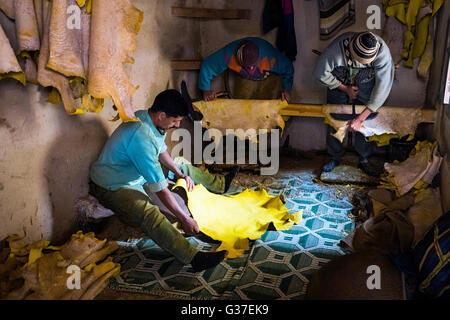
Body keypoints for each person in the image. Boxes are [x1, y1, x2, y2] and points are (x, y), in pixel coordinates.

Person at [88, 89, 239, 272]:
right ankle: (193, 257)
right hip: (112, 184)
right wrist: (184, 219)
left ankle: (220, 184)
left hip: (135, 175)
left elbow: (160, 150)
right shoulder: (141, 137)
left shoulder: (145, 116)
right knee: (148, 212)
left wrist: (179, 173)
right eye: (175, 121)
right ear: (161, 115)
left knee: (180, 165)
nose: (176, 125)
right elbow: (160, 187)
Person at [313, 31, 394, 176]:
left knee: (368, 121)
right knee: (335, 117)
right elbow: (319, 73)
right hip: (340, 78)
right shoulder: (336, 50)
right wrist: (345, 89)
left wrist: (360, 118)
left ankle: (364, 158)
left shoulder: (383, 54)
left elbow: (382, 90)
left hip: (367, 81)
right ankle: (334, 156)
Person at [198, 37, 294, 102]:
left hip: (267, 76)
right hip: (244, 77)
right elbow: (207, 65)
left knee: (265, 110)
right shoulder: (229, 55)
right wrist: (206, 90)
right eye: (247, 66)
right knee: (244, 108)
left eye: (253, 64)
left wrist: (287, 88)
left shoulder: (270, 57)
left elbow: (288, 67)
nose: (251, 68)